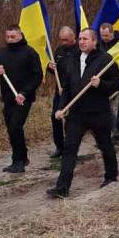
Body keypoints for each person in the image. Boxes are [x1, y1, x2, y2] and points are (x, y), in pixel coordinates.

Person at [47, 28, 119, 198]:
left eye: (86, 39)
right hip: (76, 114)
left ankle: (111, 177)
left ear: (95, 42)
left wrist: (101, 84)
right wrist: (61, 107)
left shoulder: (105, 59)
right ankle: (62, 187)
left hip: (98, 113)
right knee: (69, 149)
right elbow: (65, 88)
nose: (82, 42)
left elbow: (118, 84)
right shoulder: (72, 59)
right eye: (80, 39)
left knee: (105, 145)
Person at [0, 23, 44, 174]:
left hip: (23, 98)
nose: (10, 39)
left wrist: (25, 93)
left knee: (15, 126)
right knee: (11, 129)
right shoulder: (1, 52)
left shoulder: (30, 53)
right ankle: (19, 158)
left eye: (13, 37)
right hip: (7, 97)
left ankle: (19, 161)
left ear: (20, 36)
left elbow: (37, 76)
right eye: (7, 37)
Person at [48, 26, 78, 159]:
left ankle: (70, 148)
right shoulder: (59, 50)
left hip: (75, 91)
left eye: (66, 40)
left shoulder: (80, 50)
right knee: (55, 117)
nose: (63, 42)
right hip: (59, 91)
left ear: (73, 37)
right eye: (61, 40)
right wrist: (50, 67)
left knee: (72, 121)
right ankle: (59, 146)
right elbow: (55, 71)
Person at [98, 22, 119, 140]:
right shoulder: (99, 45)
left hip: (116, 80)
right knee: (103, 107)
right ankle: (107, 133)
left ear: (112, 33)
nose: (104, 38)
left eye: (106, 35)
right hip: (102, 80)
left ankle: (116, 131)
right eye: (102, 35)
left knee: (109, 106)